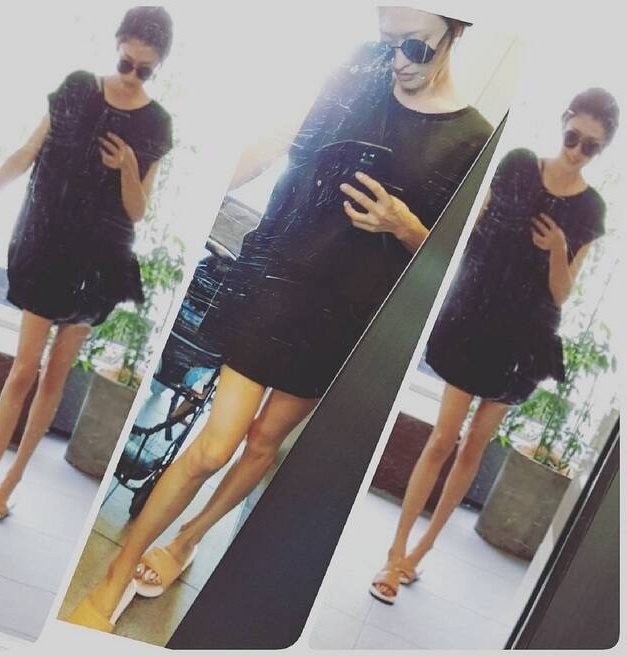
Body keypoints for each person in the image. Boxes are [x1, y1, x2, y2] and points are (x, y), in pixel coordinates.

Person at [67, 6, 494, 632]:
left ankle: (187, 539)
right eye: (387, 43)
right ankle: (114, 577)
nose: (398, 60)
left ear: (457, 29)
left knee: (264, 444)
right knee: (216, 445)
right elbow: (274, 144)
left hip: (343, 317)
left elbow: (455, 265)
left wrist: (404, 226)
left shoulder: (473, 139)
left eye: (417, 46)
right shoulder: (356, 75)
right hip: (276, 282)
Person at [370, 87, 619, 604]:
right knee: (442, 439)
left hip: (524, 340)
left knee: (473, 448)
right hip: (474, 319)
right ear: (564, 122)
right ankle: (394, 553)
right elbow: (474, 230)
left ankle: (419, 555)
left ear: (604, 148)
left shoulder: (590, 209)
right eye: (573, 137)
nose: (578, 151)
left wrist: (558, 249)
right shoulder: (518, 165)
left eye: (591, 146)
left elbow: (562, 293)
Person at [0, 6, 174, 542]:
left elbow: (137, 210)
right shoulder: (78, 89)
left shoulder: (156, 124)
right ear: (117, 45)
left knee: (56, 376)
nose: (131, 76)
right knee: (23, 369)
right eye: (126, 63)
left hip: (99, 261)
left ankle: (10, 484)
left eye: (144, 71)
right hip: (45, 243)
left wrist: (128, 168)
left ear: (158, 67)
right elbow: (27, 152)